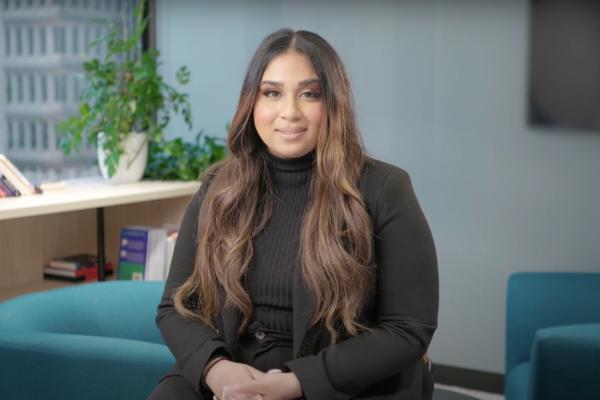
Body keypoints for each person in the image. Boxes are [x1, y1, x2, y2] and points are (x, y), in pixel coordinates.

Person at [148, 28, 438, 400]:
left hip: (341, 378)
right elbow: (175, 307)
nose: (289, 112)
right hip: (231, 369)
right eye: (272, 93)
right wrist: (215, 369)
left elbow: (407, 328)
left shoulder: (385, 188)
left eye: (309, 94)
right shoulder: (218, 188)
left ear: (333, 103)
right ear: (251, 101)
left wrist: (297, 382)